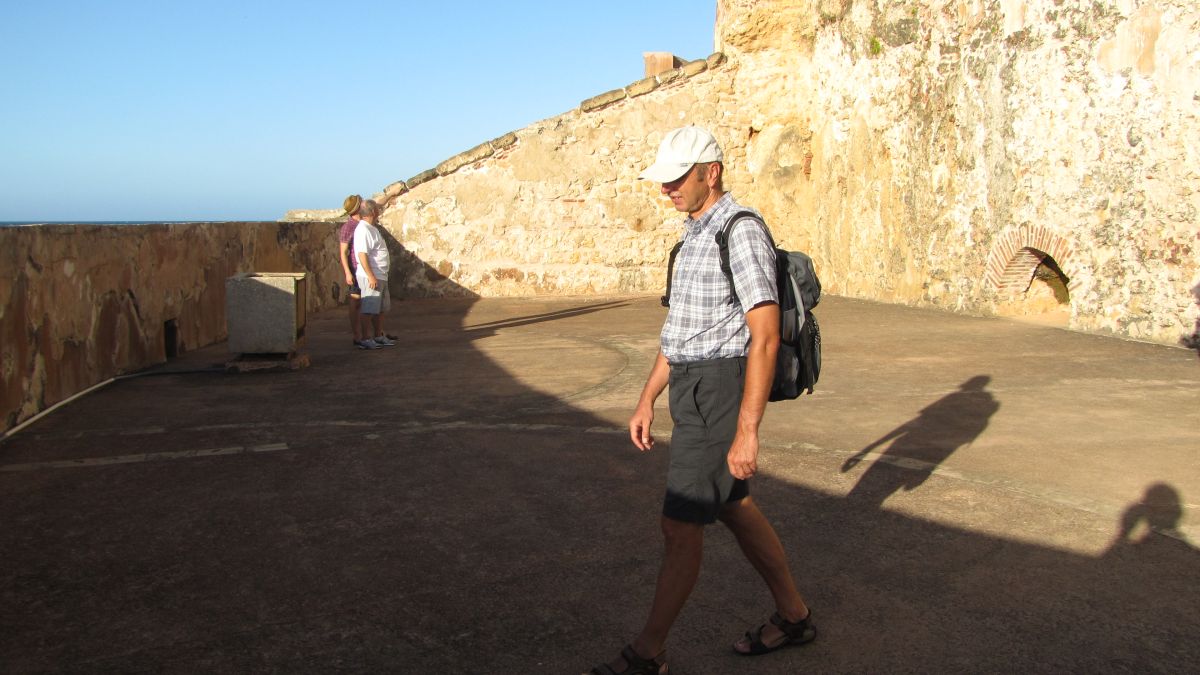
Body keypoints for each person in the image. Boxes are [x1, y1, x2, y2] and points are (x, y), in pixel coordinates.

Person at [588, 126, 815, 675]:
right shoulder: (692, 234)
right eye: (662, 180)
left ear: (710, 172)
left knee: (681, 523)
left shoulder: (739, 232)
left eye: (676, 178)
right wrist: (646, 399)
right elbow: (679, 331)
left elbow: (763, 336)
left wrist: (748, 429)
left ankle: (649, 652)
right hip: (690, 387)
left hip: (718, 389)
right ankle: (793, 615)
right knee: (732, 504)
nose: (666, 188)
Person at [351, 199, 395, 349]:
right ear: (372, 212)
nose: (378, 212)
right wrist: (370, 276)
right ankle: (365, 338)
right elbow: (362, 255)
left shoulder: (372, 228)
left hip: (381, 274)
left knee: (381, 308)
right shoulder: (363, 230)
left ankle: (378, 335)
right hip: (372, 275)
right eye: (377, 209)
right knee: (369, 308)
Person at [339, 194, 365, 348]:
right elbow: (343, 252)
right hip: (355, 269)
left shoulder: (362, 223)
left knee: (366, 303)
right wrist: (348, 272)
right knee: (355, 302)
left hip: (364, 268)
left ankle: (370, 333)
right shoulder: (348, 227)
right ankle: (357, 335)